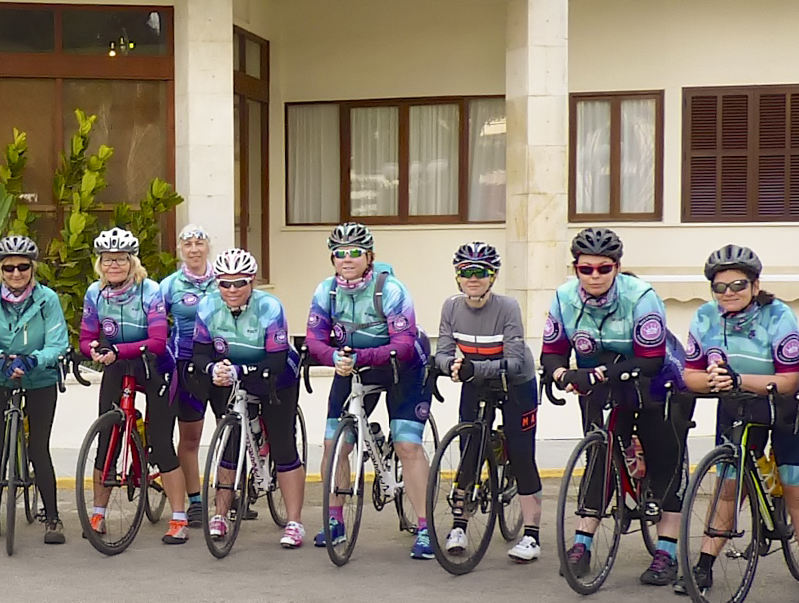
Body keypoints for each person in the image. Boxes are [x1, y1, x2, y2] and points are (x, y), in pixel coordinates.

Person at [540, 227, 688, 587]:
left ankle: (666, 551)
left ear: (617, 267)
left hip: (657, 381)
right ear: (575, 268)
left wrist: (598, 373)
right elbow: (553, 349)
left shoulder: (641, 297)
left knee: (665, 458)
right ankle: (582, 544)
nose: (594, 276)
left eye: (603, 269)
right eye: (585, 269)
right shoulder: (563, 298)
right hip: (601, 382)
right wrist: (561, 374)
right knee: (599, 458)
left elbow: (650, 359)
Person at [677, 244, 799, 602]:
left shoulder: (778, 315)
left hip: (788, 406)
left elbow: (789, 380)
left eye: (738, 285)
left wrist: (738, 380)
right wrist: (716, 380)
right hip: (739, 403)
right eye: (720, 287)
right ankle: (704, 566)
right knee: (728, 484)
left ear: (756, 286)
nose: (729, 294)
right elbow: (689, 376)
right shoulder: (706, 317)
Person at [304, 222, 434, 557]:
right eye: (339, 253)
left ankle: (425, 528)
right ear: (332, 258)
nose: (346, 259)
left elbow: (404, 344)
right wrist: (332, 356)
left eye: (354, 253)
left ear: (369, 256)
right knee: (334, 443)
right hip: (351, 363)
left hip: (402, 367)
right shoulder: (326, 291)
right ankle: (334, 519)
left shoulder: (391, 290)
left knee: (407, 444)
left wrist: (358, 356)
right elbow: (313, 339)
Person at [433, 242, 545, 563]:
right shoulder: (451, 307)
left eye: (480, 272)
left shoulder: (507, 307)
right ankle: (459, 526)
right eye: (465, 272)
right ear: (457, 276)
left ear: (492, 276)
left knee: (522, 455)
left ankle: (531, 535)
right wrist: (444, 366)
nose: (473, 278)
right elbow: (443, 352)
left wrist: (471, 367)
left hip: (516, 382)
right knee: (470, 449)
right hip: (476, 379)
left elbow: (512, 360)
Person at [80, 227, 190, 543]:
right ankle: (98, 513)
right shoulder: (94, 293)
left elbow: (157, 341)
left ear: (132, 262)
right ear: (100, 263)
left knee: (162, 441)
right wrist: (94, 351)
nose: (114, 265)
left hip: (155, 366)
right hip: (118, 363)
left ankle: (179, 518)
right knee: (106, 438)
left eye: (120, 259)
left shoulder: (150, 290)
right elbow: (86, 338)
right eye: (108, 259)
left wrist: (116, 351)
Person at [193, 249, 309, 548]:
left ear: (252, 282)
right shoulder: (207, 307)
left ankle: (294, 522)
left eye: (239, 283)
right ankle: (220, 514)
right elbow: (201, 352)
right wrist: (211, 368)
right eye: (225, 284)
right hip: (234, 373)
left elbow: (276, 360)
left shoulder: (270, 307)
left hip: (276, 375)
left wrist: (239, 370)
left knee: (283, 446)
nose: (232, 290)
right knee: (230, 444)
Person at [0, 235, 71, 545]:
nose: (16, 274)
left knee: (38, 446)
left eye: (23, 267)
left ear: (33, 268)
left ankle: (52, 517)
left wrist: (34, 360)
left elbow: (58, 343)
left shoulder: (47, 299)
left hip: (39, 377)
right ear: (0, 269)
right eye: (9, 267)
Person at [160, 225, 234, 524]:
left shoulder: (223, 280)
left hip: (226, 364)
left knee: (230, 432)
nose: (193, 249)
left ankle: (228, 494)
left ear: (208, 247)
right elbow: (155, 321)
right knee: (190, 438)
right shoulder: (170, 285)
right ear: (180, 249)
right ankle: (195, 501)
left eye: (199, 243)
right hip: (188, 366)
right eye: (187, 243)